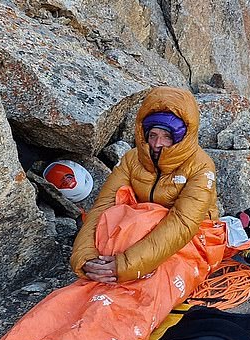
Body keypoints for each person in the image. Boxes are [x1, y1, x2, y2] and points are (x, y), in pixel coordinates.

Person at [70, 86, 219, 283]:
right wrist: (85, 257)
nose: (158, 144)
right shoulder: (133, 159)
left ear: (182, 137)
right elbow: (103, 206)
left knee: (150, 286)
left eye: (167, 137)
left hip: (194, 236)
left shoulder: (201, 167)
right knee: (113, 222)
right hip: (141, 232)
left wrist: (125, 265)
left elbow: (183, 223)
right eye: (153, 135)